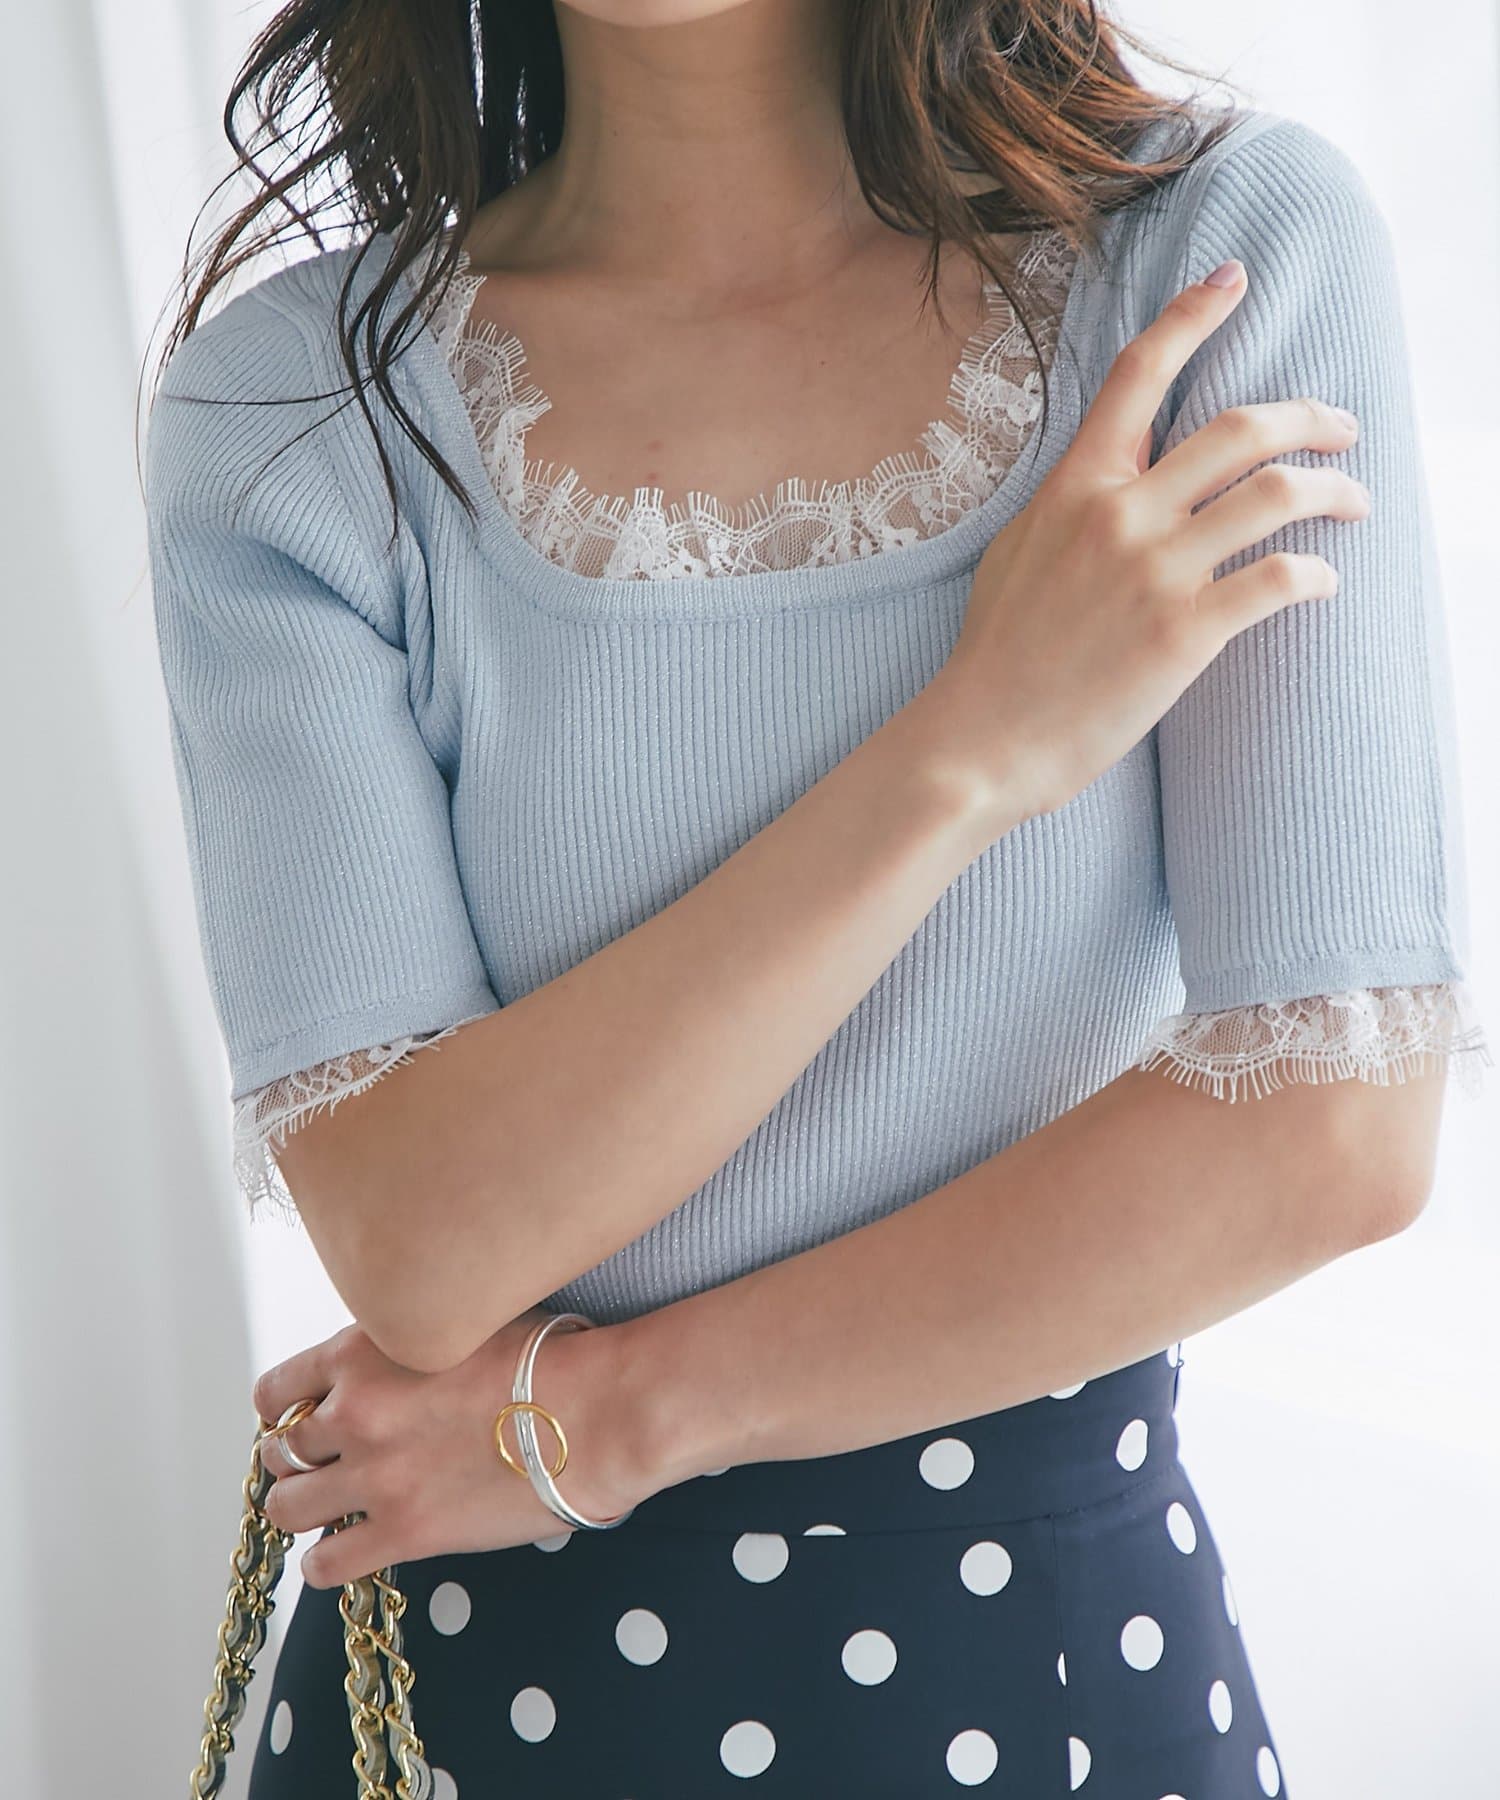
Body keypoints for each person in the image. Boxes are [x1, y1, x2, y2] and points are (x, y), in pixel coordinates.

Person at [143, 2, 1489, 1794]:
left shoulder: (1219, 260)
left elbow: (1328, 1135)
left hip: (1048, 1670)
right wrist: (970, 749)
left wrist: (613, 1414)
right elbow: (429, 1243)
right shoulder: (297, 410)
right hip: (475, 1708)